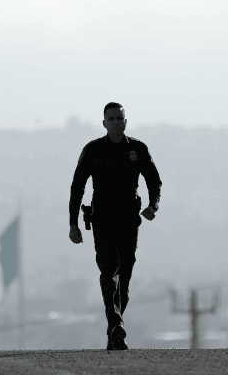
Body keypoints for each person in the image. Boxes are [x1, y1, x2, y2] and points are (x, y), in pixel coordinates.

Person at [68, 102, 162, 350]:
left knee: (125, 281)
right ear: (104, 123)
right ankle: (117, 325)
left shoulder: (138, 149)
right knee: (109, 271)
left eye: (120, 118)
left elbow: (154, 180)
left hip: (129, 221)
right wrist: (73, 224)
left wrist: (153, 206)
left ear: (126, 121)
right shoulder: (93, 150)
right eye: (111, 118)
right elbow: (77, 187)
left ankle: (113, 329)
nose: (116, 122)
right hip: (102, 220)